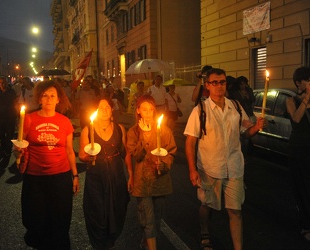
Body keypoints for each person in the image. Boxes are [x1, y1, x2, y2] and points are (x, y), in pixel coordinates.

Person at [184, 68, 267, 250]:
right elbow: (190, 142)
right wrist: (192, 169)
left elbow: (245, 133)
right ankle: (205, 231)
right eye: (215, 82)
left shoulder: (235, 107)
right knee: (207, 205)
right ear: (208, 85)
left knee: (235, 210)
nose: (219, 86)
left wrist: (256, 128)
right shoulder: (201, 110)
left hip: (234, 167)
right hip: (209, 168)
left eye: (222, 82)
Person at [13, 80, 79, 249]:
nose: (48, 99)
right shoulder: (29, 119)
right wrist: (17, 153)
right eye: (45, 95)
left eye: (52, 96)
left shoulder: (65, 122)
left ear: (59, 99)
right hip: (35, 179)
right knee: (37, 217)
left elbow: (70, 151)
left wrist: (75, 175)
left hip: (60, 178)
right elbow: (20, 144)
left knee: (60, 217)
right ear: (39, 98)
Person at [78, 97, 132, 250]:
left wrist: (131, 174)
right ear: (96, 110)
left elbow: (125, 153)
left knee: (118, 209)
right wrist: (90, 156)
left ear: (111, 110)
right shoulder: (88, 129)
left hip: (116, 176)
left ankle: (111, 241)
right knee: (97, 212)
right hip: (96, 178)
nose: (104, 110)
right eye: (101, 107)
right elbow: (82, 154)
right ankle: (99, 244)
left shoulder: (120, 128)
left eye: (107, 107)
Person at [126, 95, 177, 250]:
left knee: (157, 218)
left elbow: (171, 151)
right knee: (148, 220)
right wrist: (145, 135)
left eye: (151, 109)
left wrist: (165, 163)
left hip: (160, 181)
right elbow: (137, 155)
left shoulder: (164, 130)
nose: (148, 113)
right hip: (143, 183)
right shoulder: (133, 132)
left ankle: (145, 241)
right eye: (144, 109)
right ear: (138, 111)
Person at [286, 66, 310, 241]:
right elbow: (296, 118)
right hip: (299, 148)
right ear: (298, 83)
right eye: (307, 80)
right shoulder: (291, 100)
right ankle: (306, 225)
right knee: (303, 187)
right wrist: (306, 98)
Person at [0, 76, 17, 156]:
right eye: (0, 82)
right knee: (1, 134)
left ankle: (8, 149)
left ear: (6, 83)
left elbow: (15, 101)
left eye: (3, 82)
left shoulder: (11, 92)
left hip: (10, 116)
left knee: (10, 134)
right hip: (1, 116)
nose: (2, 84)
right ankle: (3, 147)